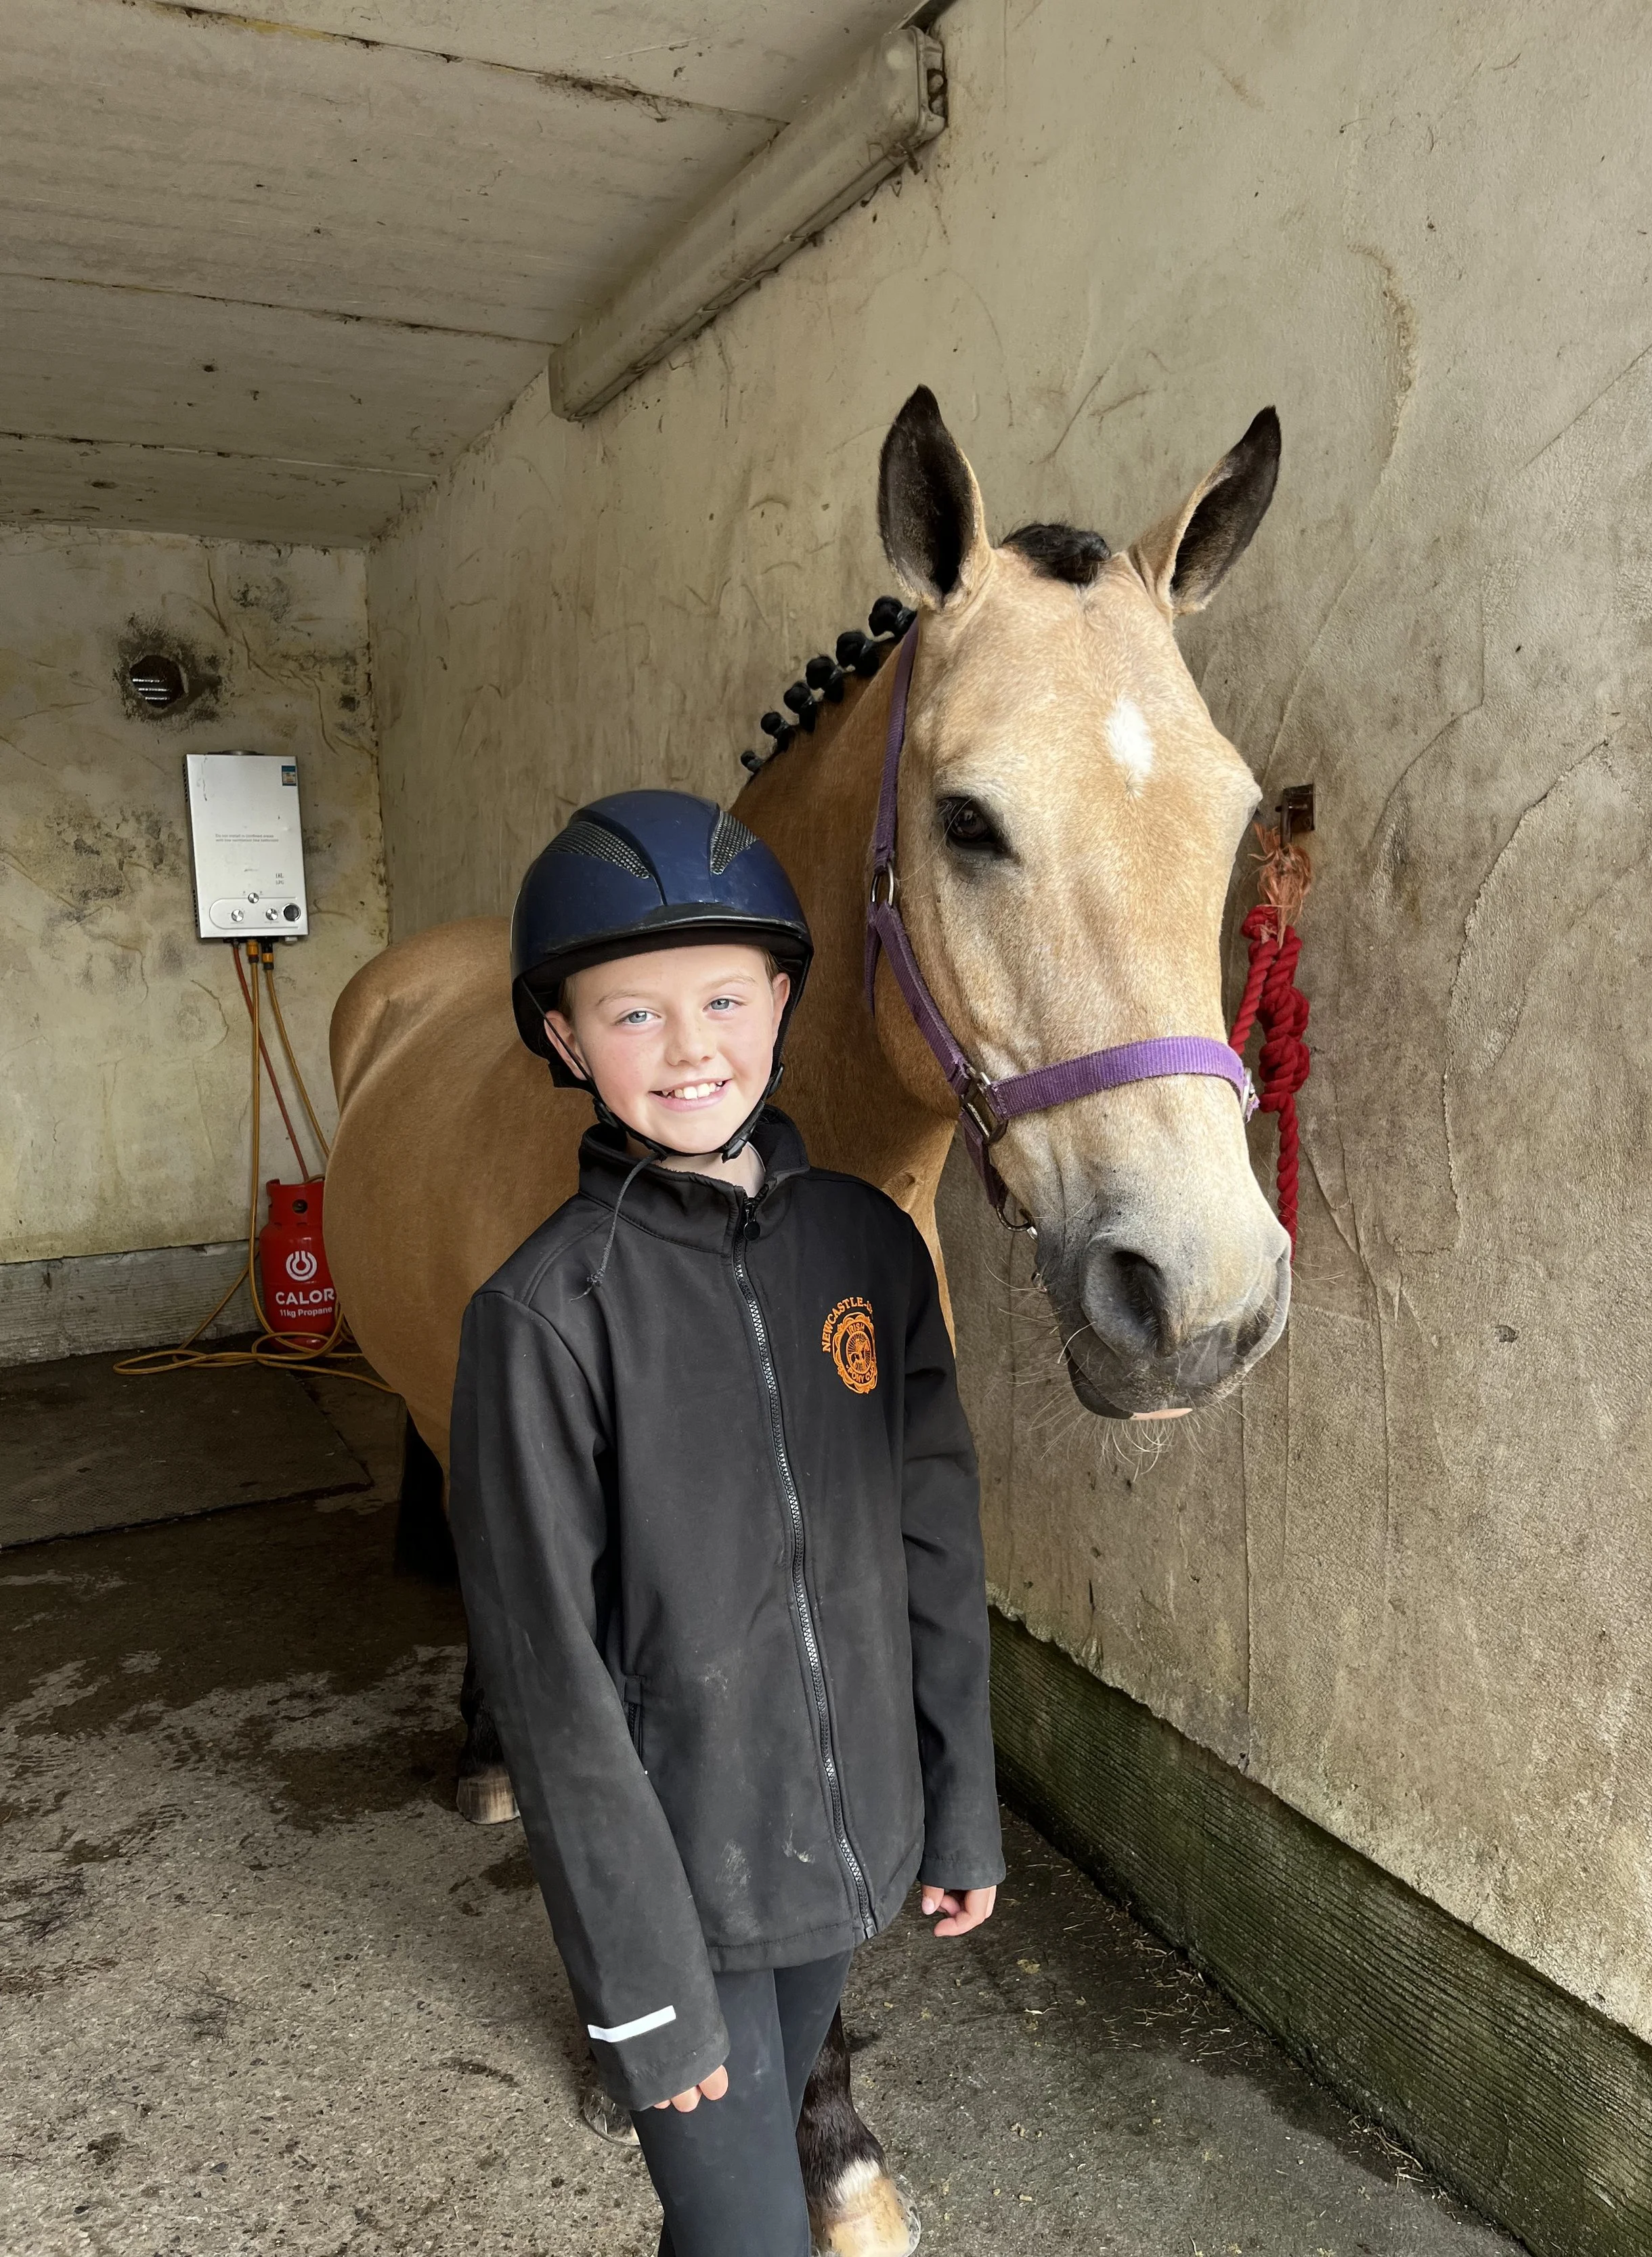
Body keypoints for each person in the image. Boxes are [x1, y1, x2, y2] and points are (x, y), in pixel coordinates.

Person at [449, 790, 1003, 2257]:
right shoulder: (541, 1317)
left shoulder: (869, 1251)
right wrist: (640, 1986)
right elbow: (551, 1687)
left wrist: (955, 1801)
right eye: (630, 1014)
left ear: (778, 998)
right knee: (745, 2235)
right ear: (564, 1041)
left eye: (718, 997)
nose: (688, 1048)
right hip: (676, 1899)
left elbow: (934, 1545)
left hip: (837, 1854)